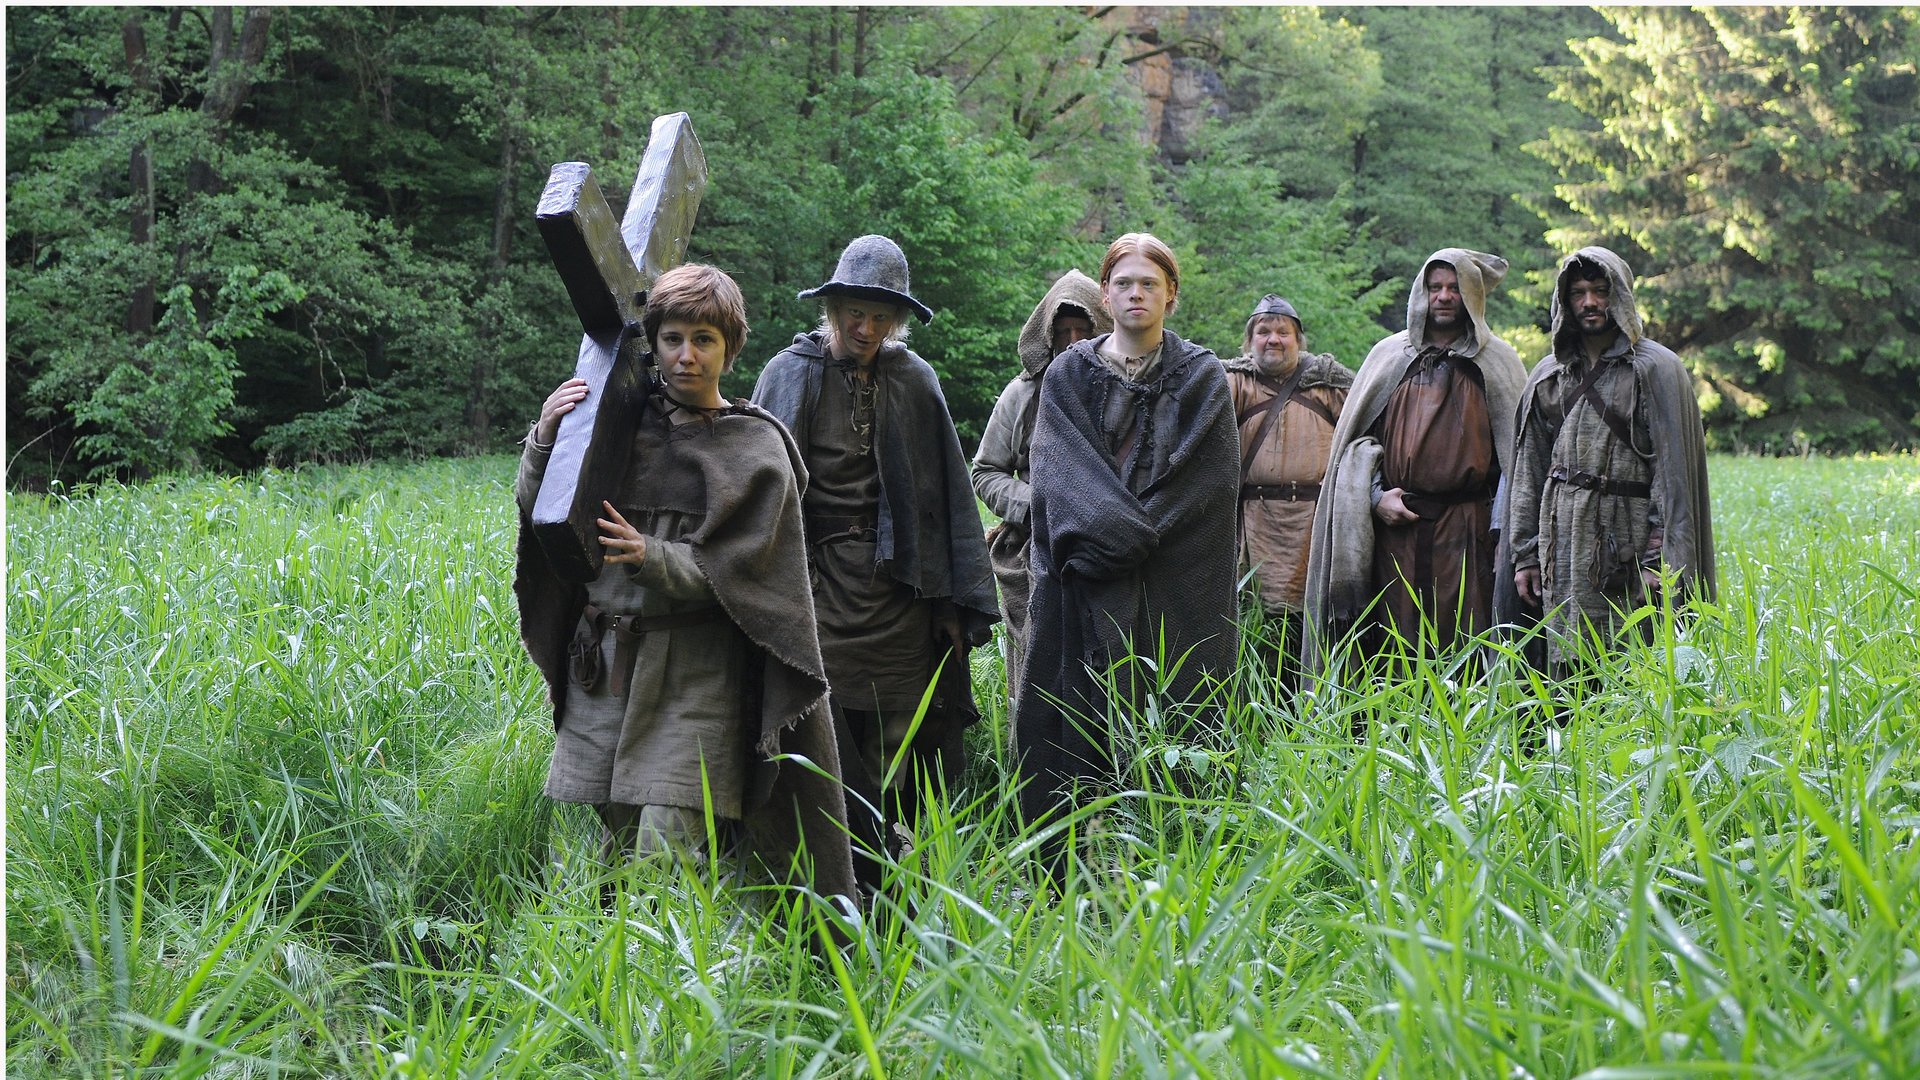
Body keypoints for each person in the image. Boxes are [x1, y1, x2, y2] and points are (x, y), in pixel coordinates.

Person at [512, 263, 854, 902]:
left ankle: (672, 991)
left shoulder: (755, 447)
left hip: (696, 679)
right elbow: (547, 515)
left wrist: (654, 556)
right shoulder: (614, 427)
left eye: (704, 340)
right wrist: (547, 438)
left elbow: (752, 576)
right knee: (610, 854)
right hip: (606, 669)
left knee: (665, 859)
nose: (686, 356)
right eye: (672, 339)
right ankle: (607, 995)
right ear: (654, 341)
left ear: (731, 347)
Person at [751, 235, 999, 894]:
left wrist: (950, 603)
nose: (865, 328)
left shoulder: (914, 379)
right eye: (854, 313)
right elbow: (760, 497)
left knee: (903, 738)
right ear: (831, 309)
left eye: (880, 317)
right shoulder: (787, 372)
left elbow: (945, 498)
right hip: (815, 591)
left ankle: (896, 873)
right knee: (826, 731)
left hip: (900, 598)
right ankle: (830, 873)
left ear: (898, 321)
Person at [1015, 232, 1239, 835]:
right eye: (1123, 283)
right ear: (1105, 298)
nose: (1136, 293)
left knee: (1176, 699)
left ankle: (1174, 846)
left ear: (1171, 295)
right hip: (1081, 576)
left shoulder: (1203, 377)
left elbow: (1206, 484)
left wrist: (1133, 536)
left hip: (1177, 577)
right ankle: (1070, 853)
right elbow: (1062, 475)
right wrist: (1108, 538)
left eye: (1149, 283)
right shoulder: (1068, 375)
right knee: (1074, 707)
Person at [1305, 249, 1528, 675]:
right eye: (1435, 288)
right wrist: (1374, 498)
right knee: (1390, 645)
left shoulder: (1498, 362)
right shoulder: (1389, 356)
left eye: (1454, 288)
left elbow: (1515, 460)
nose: (1444, 297)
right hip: (1396, 533)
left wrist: (1504, 535)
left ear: (1472, 296)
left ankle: (1469, 736)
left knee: (1471, 644)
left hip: (1470, 533)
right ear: (1421, 294)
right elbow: (1354, 446)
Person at [1497, 247, 1716, 671]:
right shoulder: (1549, 375)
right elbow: (1529, 472)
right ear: (1565, 302)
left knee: (1635, 656)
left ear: (1619, 297)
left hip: (1628, 544)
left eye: (1600, 291)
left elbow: (1671, 478)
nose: (1590, 302)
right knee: (1565, 661)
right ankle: (1568, 735)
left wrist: (1660, 562)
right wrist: (1525, 555)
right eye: (1578, 293)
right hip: (1561, 544)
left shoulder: (1654, 370)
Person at [970, 269, 1110, 705]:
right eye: (1063, 331)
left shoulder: (1123, 392)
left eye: (1081, 330)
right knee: (1035, 675)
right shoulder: (1022, 395)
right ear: (1048, 336)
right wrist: (1041, 506)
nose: (1072, 341)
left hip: (1104, 551)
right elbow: (985, 471)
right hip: (1032, 550)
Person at [1224, 294, 1352, 693]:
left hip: (1315, 525)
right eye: (1263, 331)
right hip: (1255, 523)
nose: (1273, 339)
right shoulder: (1234, 384)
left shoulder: (1329, 387)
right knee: (1259, 622)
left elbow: (1364, 433)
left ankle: (1317, 705)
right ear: (1249, 342)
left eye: (1283, 331)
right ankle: (1261, 710)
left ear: (1299, 340)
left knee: (1315, 618)